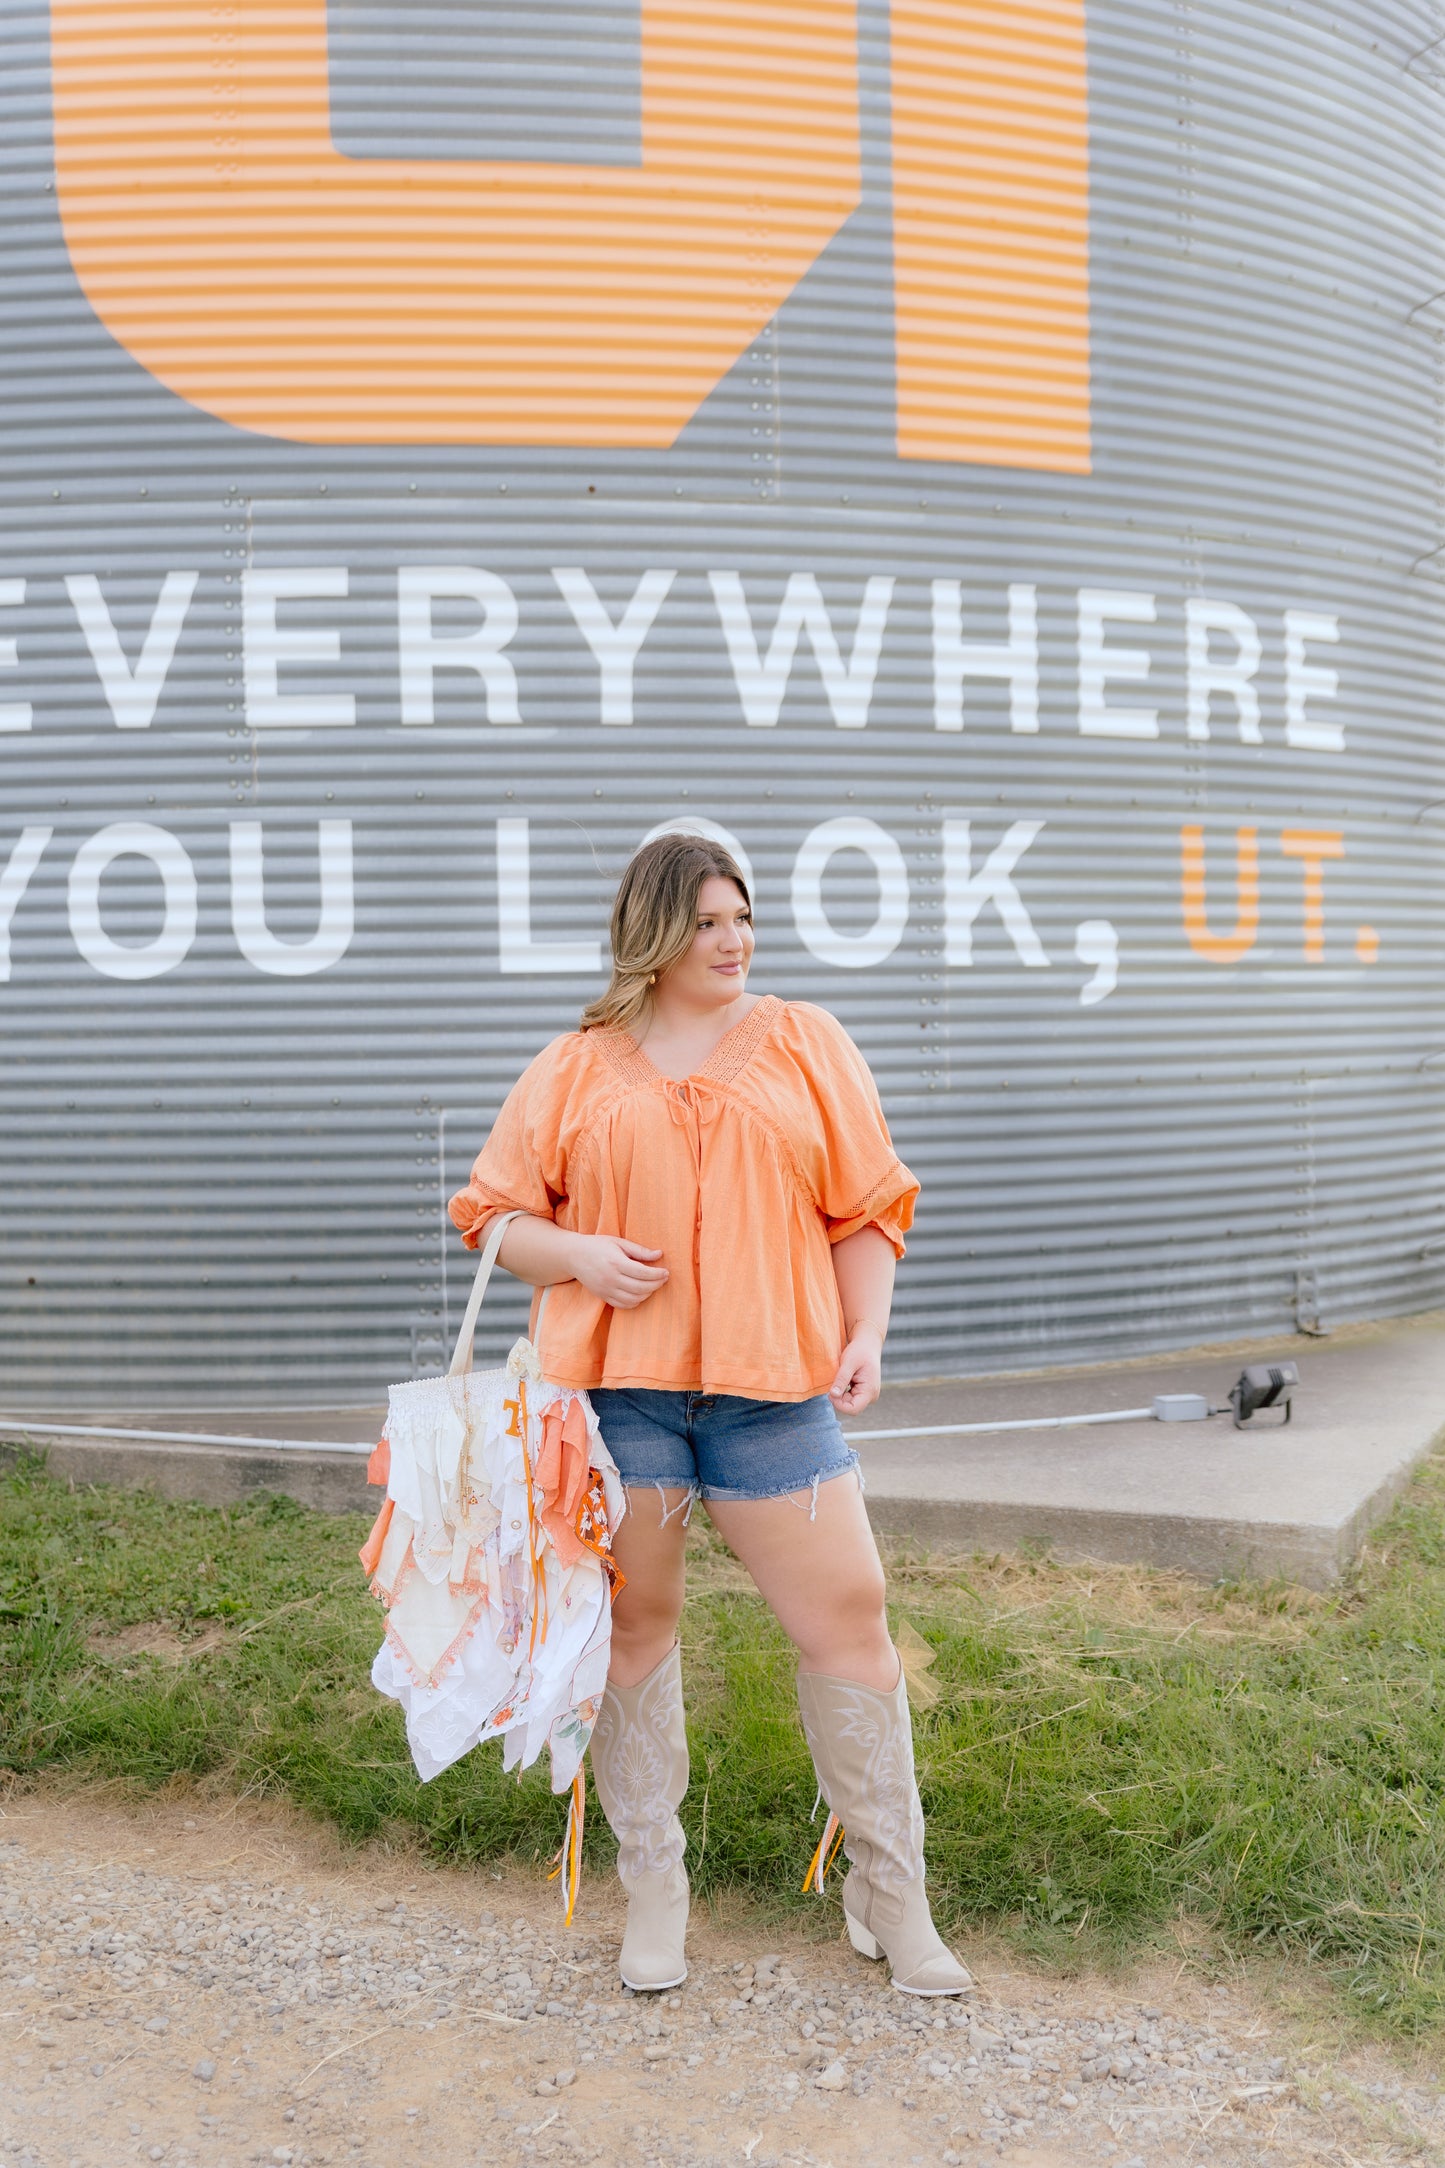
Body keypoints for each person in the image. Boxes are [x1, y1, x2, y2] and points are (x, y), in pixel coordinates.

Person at [447, 831, 972, 2000]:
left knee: (849, 1618)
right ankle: (655, 1888)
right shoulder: (576, 1066)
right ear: (652, 932)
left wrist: (864, 1332)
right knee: (636, 1635)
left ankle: (891, 1892)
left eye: (742, 917)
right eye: (707, 921)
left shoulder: (800, 1039)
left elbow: (868, 1204)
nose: (733, 939)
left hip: (772, 1395)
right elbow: (488, 1214)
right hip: (622, 1399)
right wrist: (577, 1248)